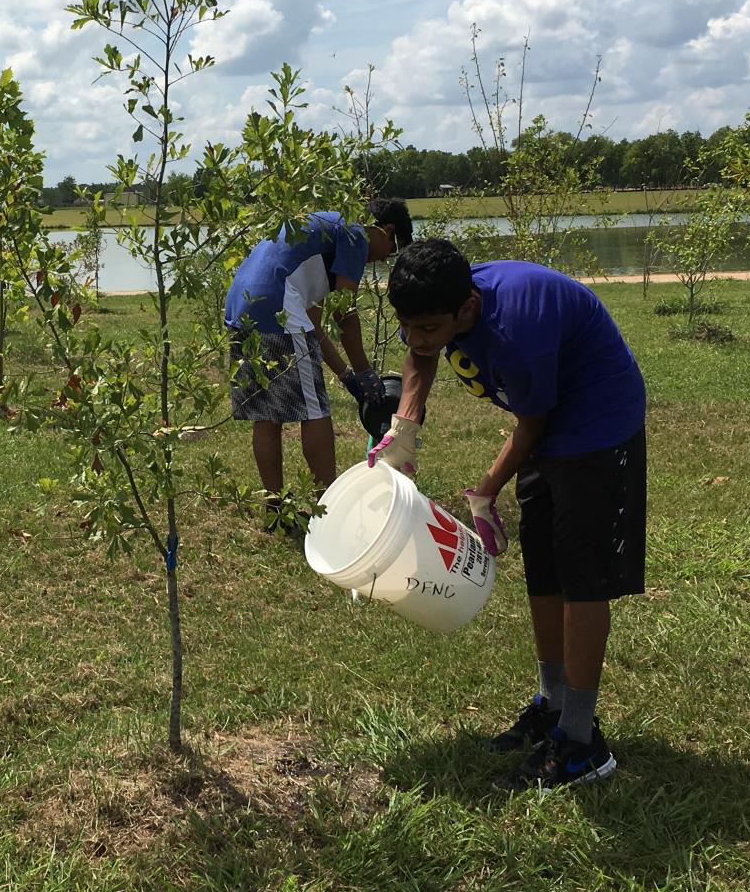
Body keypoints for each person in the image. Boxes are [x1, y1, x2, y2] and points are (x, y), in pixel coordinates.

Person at [371, 238, 646, 791]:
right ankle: (552, 701)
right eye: (408, 325)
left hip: (596, 422)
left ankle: (580, 743)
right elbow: (421, 354)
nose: (417, 338)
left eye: (429, 326)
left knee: (581, 578)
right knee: (544, 566)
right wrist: (404, 431)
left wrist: (485, 490)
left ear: (467, 310)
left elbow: (533, 425)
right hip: (548, 419)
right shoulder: (443, 307)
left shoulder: (516, 330)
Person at [224, 201, 413, 524]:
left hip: (243, 306)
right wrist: (366, 373)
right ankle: (329, 509)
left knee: (267, 416)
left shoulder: (324, 230)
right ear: (387, 230)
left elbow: (315, 324)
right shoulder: (355, 233)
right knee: (315, 411)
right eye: (389, 251)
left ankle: (275, 509)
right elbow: (345, 315)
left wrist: (347, 375)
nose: (382, 259)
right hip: (277, 307)